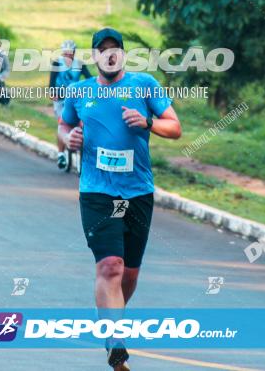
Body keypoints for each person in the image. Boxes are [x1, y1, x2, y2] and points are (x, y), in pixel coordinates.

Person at [57, 28, 182, 370]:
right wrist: (69, 139)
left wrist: (149, 123)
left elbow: (175, 127)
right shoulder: (79, 92)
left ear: (123, 55)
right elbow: (63, 127)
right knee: (109, 266)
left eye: (115, 49)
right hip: (96, 192)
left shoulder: (144, 85)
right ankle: (114, 341)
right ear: (94, 56)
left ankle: (107, 318)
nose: (109, 55)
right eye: (102, 49)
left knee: (128, 275)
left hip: (138, 191)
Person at [49, 39, 91, 169]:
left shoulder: (80, 64)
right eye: (65, 53)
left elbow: (89, 79)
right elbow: (51, 82)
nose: (67, 56)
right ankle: (61, 154)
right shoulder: (57, 63)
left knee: (81, 123)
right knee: (63, 123)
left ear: (74, 53)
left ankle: (80, 154)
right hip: (61, 99)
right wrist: (52, 93)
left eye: (70, 53)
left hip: (75, 98)